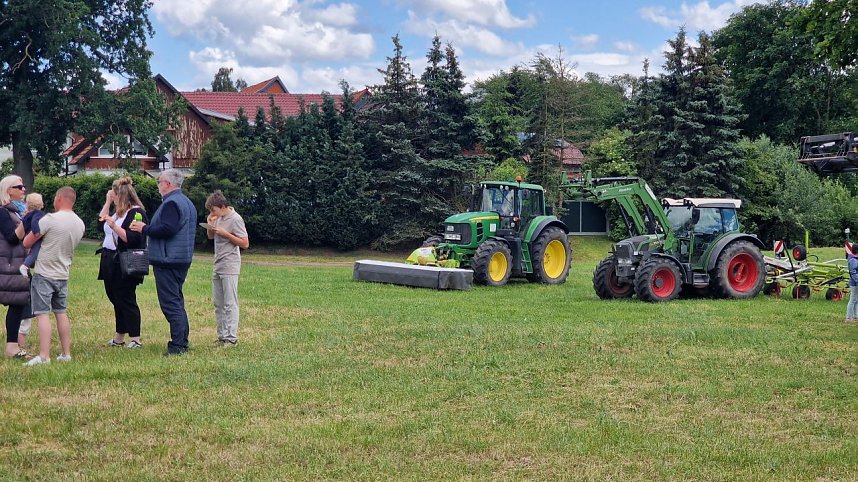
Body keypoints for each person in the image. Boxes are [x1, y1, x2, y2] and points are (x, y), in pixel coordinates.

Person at [130, 169, 196, 356]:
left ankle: (178, 346)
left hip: (168, 259)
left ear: (167, 184)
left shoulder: (171, 203)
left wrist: (144, 228)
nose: (158, 185)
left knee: (171, 304)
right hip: (180, 257)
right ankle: (181, 341)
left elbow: (167, 228)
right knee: (176, 301)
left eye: (160, 181)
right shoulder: (186, 202)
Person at [22, 186, 85, 366]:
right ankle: (66, 353)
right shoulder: (80, 223)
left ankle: (44, 355)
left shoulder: (50, 219)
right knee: (61, 313)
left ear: (59, 198)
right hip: (63, 273)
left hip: (44, 272)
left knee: (42, 313)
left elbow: (28, 241)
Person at [98, 177, 149, 349]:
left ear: (121, 195)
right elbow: (100, 224)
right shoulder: (118, 212)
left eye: (114, 195)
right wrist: (107, 203)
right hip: (110, 260)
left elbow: (133, 239)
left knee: (126, 298)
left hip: (125, 261)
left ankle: (136, 338)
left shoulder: (136, 213)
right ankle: (119, 337)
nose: (112, 198)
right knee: (115, 297)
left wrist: (114, 227)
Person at [205, 191, 249, 347]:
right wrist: (210, 225)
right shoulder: (217, 217)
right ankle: (222, 335)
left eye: (213, 210)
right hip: (218, 263)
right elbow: (211, 236)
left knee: (230, 302)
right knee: (219, 302)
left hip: (230, 264)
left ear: (222, 207)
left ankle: (231, 337)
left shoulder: (236, 219)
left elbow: (244, 243)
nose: (212, 213)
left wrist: (226, 234)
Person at [0, 175, 32, 359]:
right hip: (7, 265)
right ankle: (12, 346)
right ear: (8, 191)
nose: (23, 189)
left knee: (18, 303)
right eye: (18, 186)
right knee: (16, 303)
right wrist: (25, 221)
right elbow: (12, 238)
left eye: (23, 186)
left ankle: (12, 346)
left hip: (17, 264)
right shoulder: (3, 212)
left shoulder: (17, 211)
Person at [19, 193, 45, 276]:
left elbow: (23, 221)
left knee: (32, 252)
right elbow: (34, 222)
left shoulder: (28, 214)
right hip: (34, 236)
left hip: (27, 234)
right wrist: (36, 232)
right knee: (35, 252)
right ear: (41, 203)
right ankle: (25, 266)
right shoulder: (38, 213)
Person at [846, 243, 858, 323]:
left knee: (856, 300)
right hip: (855, 283)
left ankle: (856, 316)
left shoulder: (854, 258)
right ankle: (848, 318)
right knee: (853, 300)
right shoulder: (853, 260)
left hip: (855, 282)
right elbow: (853, 272)